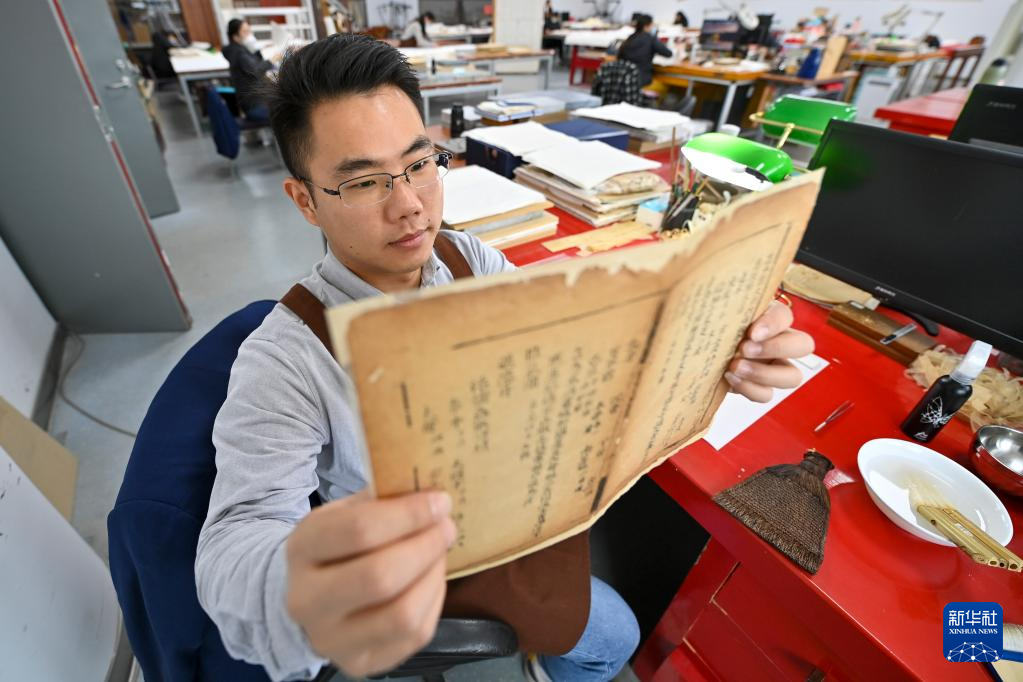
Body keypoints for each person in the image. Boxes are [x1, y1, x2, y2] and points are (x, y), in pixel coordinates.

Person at [195, 33, 814, 682]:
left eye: (418, 164)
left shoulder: (466, 259)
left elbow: (563, 358)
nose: (409, 205)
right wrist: (297, 586)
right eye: (364, 182)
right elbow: (238, 543)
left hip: (521, 508)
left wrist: (721, 345)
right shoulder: (285, 361)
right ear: (305, 201)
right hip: (435, 565)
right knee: (617, 640)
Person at [221, 19, 274, 122]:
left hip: (258, 100)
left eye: (250, 31)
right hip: (255, 106)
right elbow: (256, 70)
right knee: (290, 112)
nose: (250, 35)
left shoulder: (242, 49)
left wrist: (256, 49)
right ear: (235, 37)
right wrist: (272, 60)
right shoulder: (239, 54)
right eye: (245, 32)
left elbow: (258, 64)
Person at [617, 13, 673, 86]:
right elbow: (668, 54)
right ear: (646, 26)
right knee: (665, 86)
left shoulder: (630, 38)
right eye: (652, 25)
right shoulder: (650, 38)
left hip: (623, 79)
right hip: (640, 80)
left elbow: (619, 56)